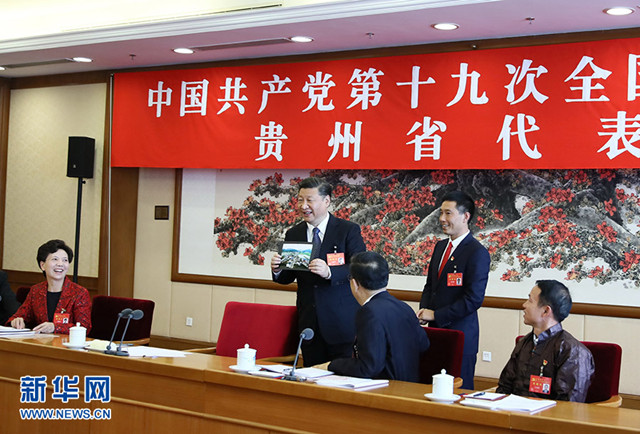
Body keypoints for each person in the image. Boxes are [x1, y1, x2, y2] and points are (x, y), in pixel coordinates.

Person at [271, 177, 366, 366]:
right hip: (309, 324)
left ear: (326, 201)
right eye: (300, 200)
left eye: (310, 200)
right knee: (310, 375)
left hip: (340, 323)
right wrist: (278, 270)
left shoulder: (347, 230)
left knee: (341, 378)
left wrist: (330, 272)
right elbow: (288, 276)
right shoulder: (294, 233)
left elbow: (359, 267)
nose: (303, 206)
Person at [417, 190, 490, 389]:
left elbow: (473, 299)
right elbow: (430, 286)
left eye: (448, 213)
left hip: (460, 336)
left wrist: (436, 315)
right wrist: (424, 310)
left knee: (458, 392)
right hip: (434, 334)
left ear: (465, 216)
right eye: (441, 213)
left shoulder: (477, 252)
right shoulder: (440, 247)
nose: (442, 218)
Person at [323, 251, 430, 382]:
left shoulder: (369, 312)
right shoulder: (403, 307)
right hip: (411, 385)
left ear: (355, 283)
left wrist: (331, 366)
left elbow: (368, 367)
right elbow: (423, 344)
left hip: (386, 388)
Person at [496, 280, 595, 402]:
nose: (524, 305)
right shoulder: (524, 342)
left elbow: (569, 404)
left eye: (530, 300)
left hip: (549, 413)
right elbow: (504, 387)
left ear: (546, 311)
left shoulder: (573, 351)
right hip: (513, 411)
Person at [6, 239, 91, 334]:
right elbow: (19, 315)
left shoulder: (79, 293)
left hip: (67, 342)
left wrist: (55, 327)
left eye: (65, 260)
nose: (60, 264)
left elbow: (84, 327)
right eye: (55, 259)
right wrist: (16, 321)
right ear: (42, 265)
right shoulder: (36, 291)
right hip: (40, 341)